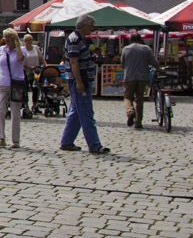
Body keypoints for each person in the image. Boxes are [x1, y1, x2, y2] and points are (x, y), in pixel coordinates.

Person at [60, 14, 111, 155]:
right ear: (84, 25)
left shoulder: (81, 39)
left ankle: (67, 141)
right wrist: (79, 82)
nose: (93, 28)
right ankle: (94, 145)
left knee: (76, 112)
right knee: (86, 112)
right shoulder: (74, 39)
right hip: (79, 79)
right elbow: (74, 62)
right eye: (91, 25)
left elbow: (81, 58)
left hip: (82, 78)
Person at [0, 29, 25, 148]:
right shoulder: (1, 50)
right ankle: (1, 138)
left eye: (10, 38)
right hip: (2, 83)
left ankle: (15, 141)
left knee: (15, 112)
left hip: (16, 84)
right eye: (6, 38)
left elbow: (21, 59)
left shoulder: (21, 50)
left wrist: (17, 45)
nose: (7, 40)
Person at [121, 34, 157, 130]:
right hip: (142, 78)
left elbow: (122, 64)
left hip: (129, 77)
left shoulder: (125, 49)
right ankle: (138, 122)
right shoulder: (146, 49)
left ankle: (130, 111)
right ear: (140, 39)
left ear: (130, 40)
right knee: (140, 100)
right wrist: (160, 69)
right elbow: (153, 62)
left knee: (127, 97)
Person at [21, 34, 43, 117]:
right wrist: (29, 67)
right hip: (25, 72)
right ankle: (26, 106)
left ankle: (35, 105)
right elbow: (20, 62)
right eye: (27, 40)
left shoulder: (36, 48)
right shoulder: (22, 49)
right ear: (24, 41)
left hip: (36, 71)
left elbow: (41, 58)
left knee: (36, 89)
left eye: (30, 39)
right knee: (25, 89)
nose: (29, 41)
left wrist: (45, 65)